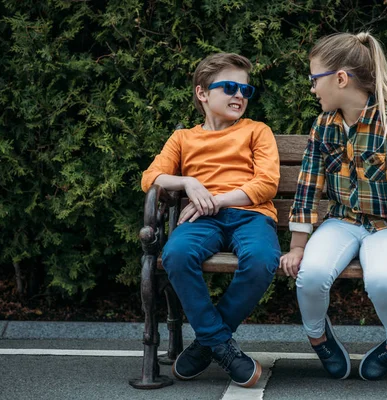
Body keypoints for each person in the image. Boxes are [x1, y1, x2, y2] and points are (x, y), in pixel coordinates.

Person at [279, 32, 387, 381]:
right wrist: (297, 246)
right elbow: (309, 186)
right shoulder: (323, 127)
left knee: (383, 281)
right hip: (341, 221)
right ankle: (318, 337)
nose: (312, 88)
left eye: (314, 80)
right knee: (310, 276)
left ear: (341, 78)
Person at [141, 53, 280, 388]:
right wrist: (187, 182)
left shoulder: (256, 131)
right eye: (229, 87)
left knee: (262, 259)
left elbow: (266, 183)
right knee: (176, 254)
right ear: (202, 93)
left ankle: (207, 343)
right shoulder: (183, 138)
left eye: (246, 91)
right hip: (202, 221)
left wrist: (215, 200)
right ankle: (222, 345)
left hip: (250, 215)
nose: (239, 96)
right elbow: (151, 178)